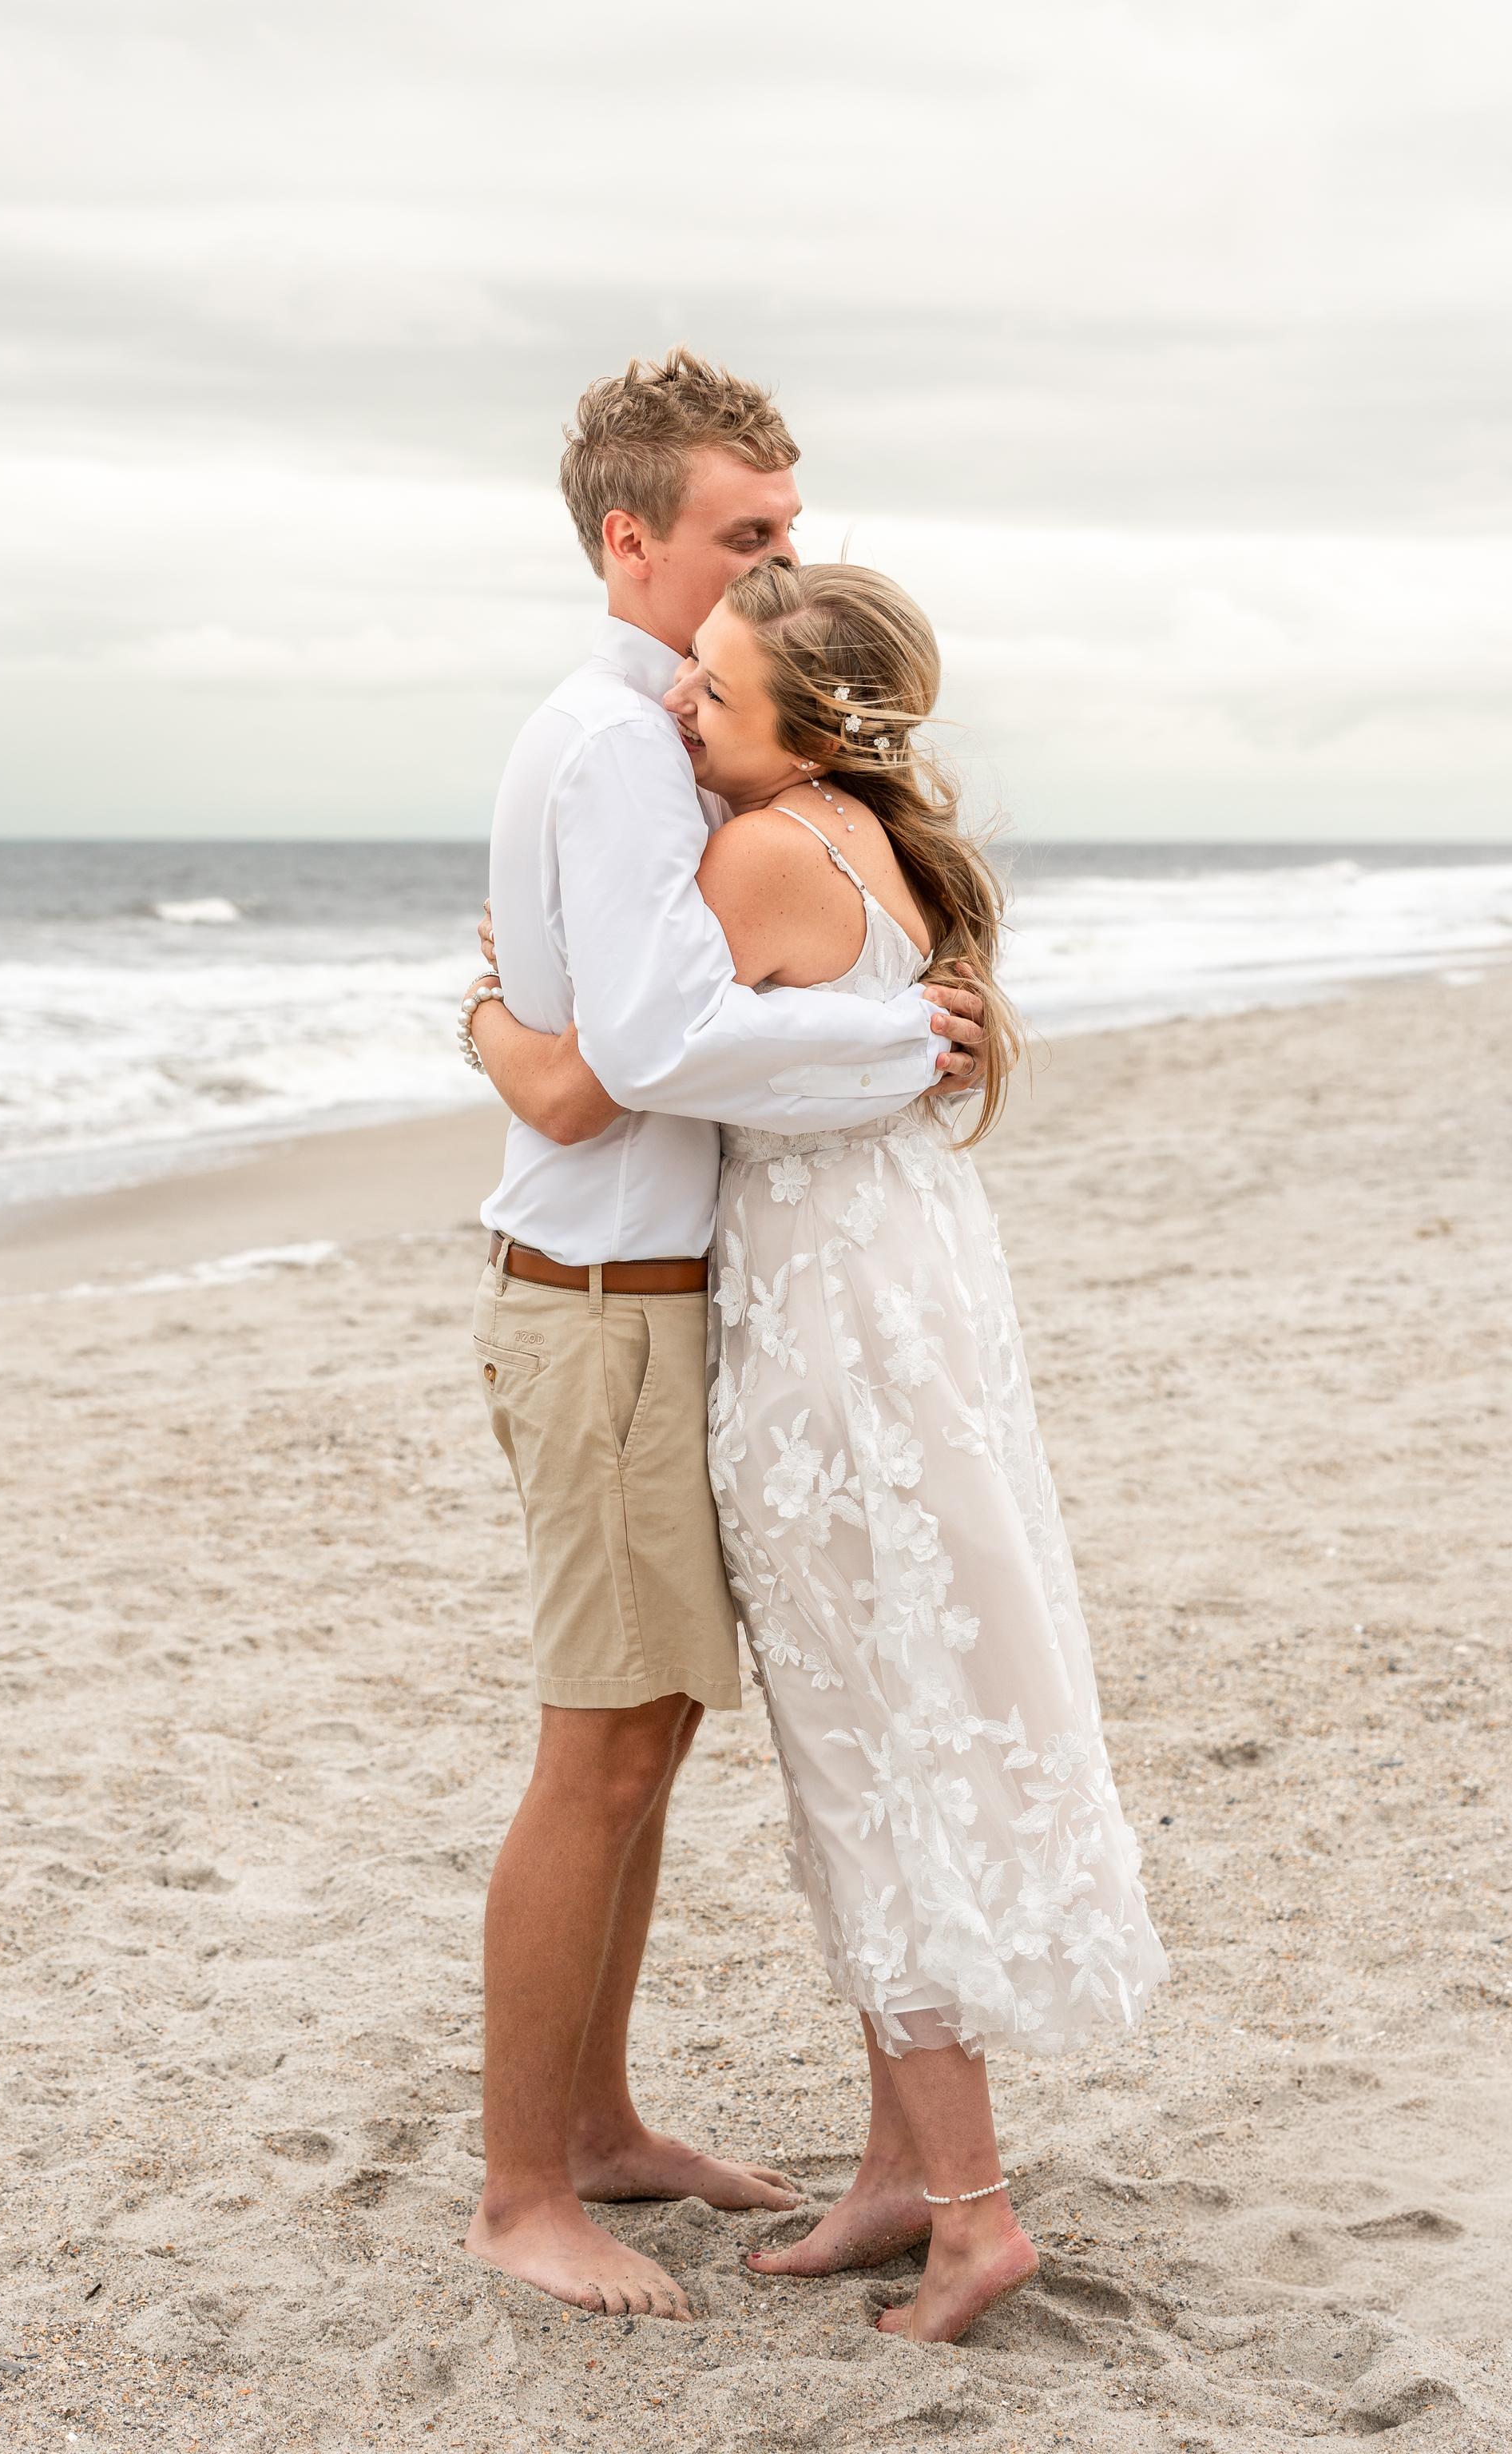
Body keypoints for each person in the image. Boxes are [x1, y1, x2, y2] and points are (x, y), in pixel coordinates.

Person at [468, 555, 1169, 2344]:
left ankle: (966, 2209)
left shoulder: (760, 850)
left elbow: (634, 1056)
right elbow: (815, 1055)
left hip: (827, 1334)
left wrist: (494, 1025)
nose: (681, 709)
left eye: (712, 689)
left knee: (874, 1738)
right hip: (901, 1295)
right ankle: (897, 2172)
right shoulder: (871, 833)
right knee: (896, 1709)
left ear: (807, 724)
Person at [458, 350, 987, 2324]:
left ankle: (594, 2125)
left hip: (654, 1303)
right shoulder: (611, 747)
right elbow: (637, 1064)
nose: (781, 565)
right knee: (597, 1752)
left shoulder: (662, 744)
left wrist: (511, 1038)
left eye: (787, 527)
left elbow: (595, 1055)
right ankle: (526, 2190)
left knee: (647, 1743)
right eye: (741, 535)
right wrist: (901, 1035)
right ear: (629, 539)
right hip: (601, 1308)